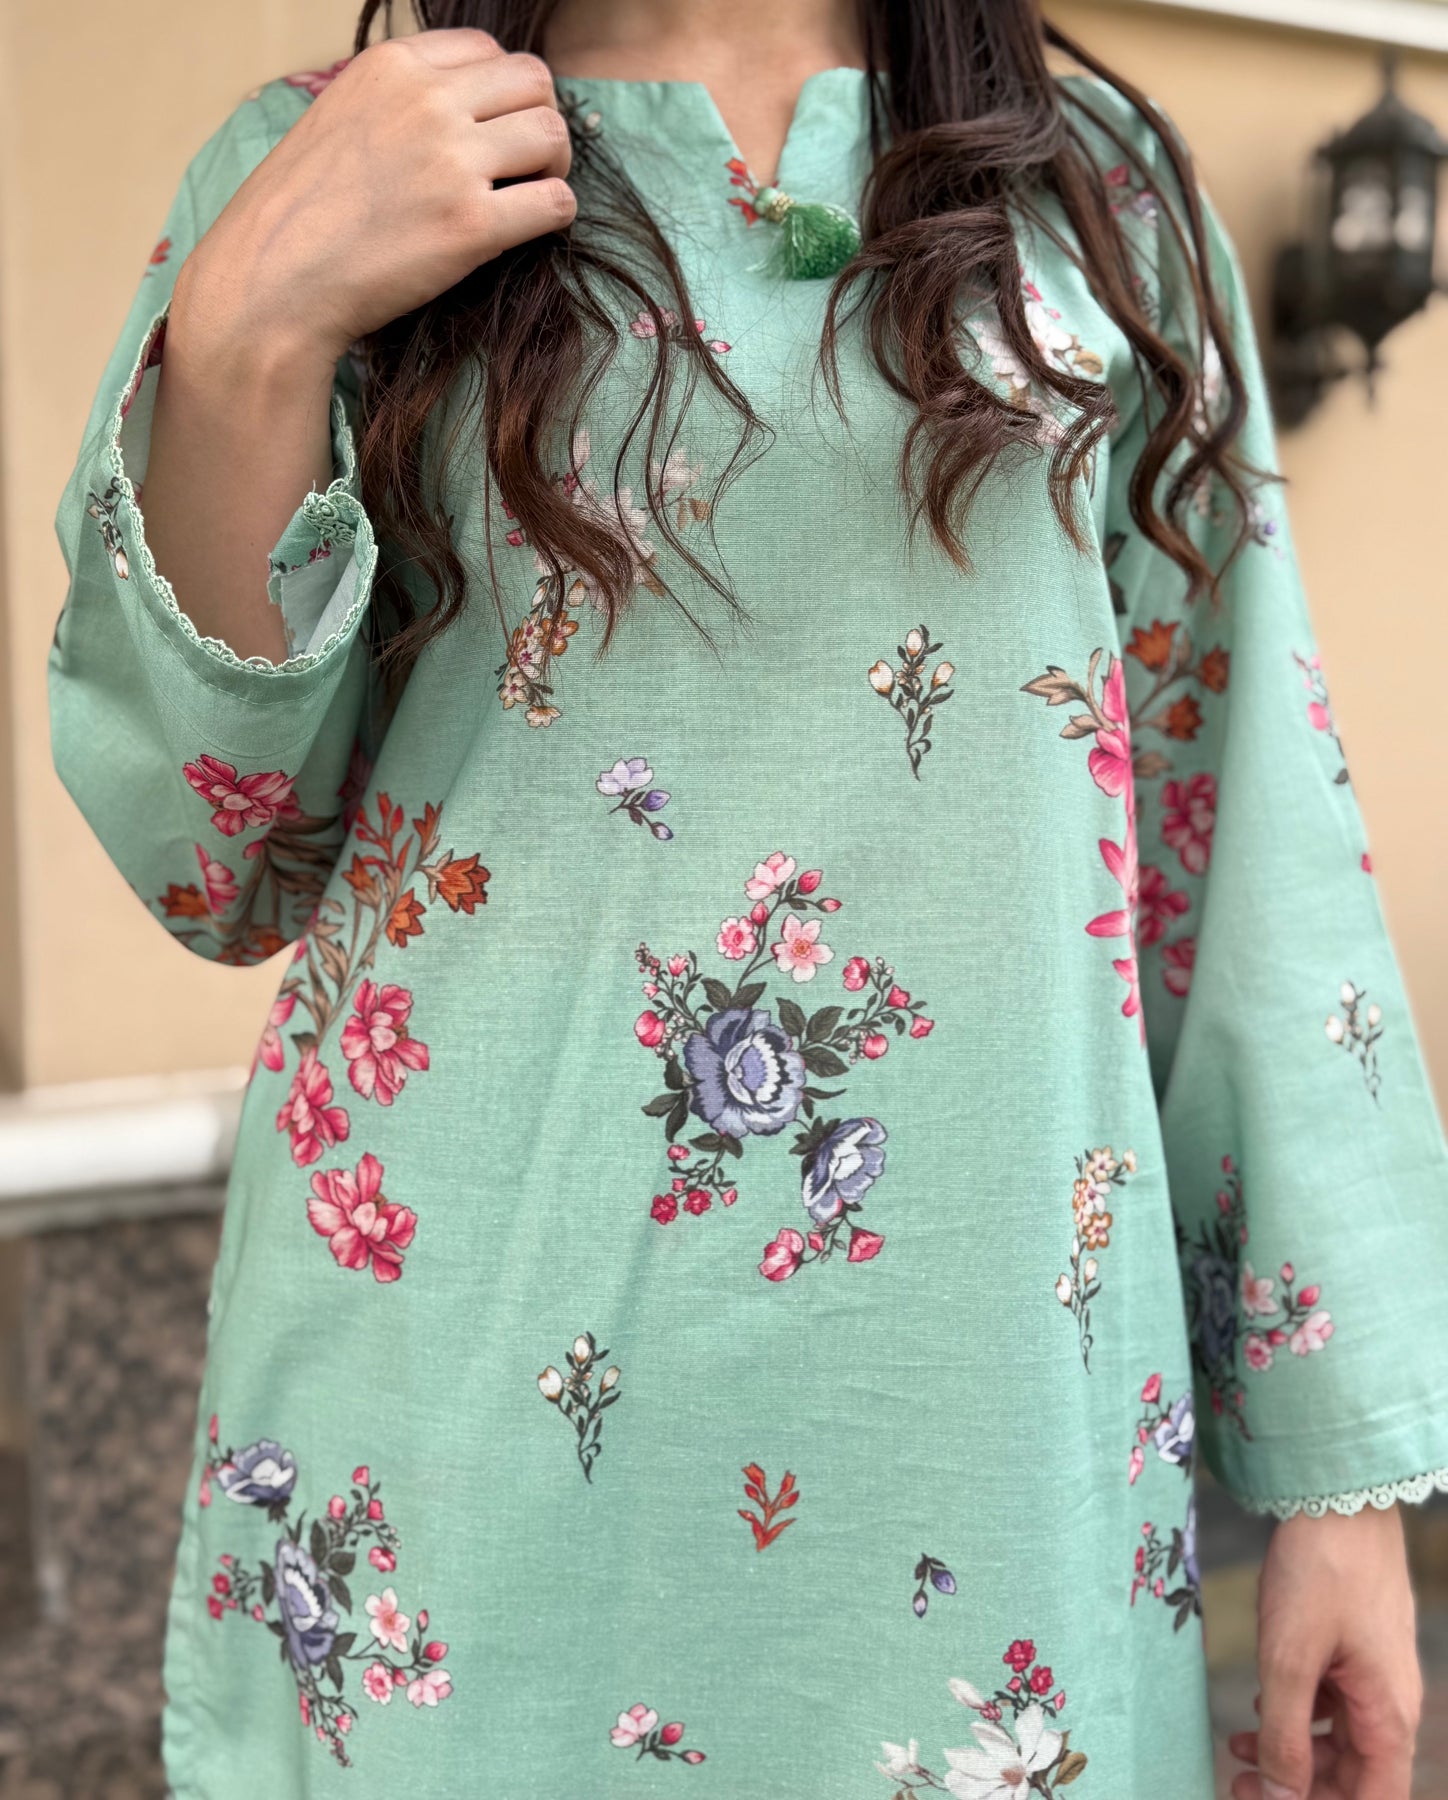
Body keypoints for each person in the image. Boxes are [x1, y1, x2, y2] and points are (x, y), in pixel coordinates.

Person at [47, 2, 1447, 1795]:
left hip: (986, 1456)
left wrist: (1340, 1479)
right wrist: (249, 332)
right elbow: (213, 855)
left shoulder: (1092, 196)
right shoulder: (319, 161)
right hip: (467, 1454)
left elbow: (1234, 822)